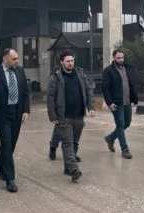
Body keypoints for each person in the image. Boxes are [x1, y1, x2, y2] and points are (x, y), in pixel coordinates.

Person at [46, 51, 94, 182]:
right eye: (67, 61)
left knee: (74, 143)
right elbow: (50, 97)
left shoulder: (80, 75)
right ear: (62, 62)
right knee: (67, 143)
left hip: (79, 115)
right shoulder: (56, 77)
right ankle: (74, 169)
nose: (70, 63)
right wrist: (52, 115)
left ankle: (68, 168)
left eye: (72, 60)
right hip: (64, 116)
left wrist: (91, 107)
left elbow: (88, 91)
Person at [0, 48, 29, 193]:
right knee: (6, 143)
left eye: (17, 58)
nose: (17, 61)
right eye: (14, 59)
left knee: (11, 144)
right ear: (5, 59)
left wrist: (25, 110)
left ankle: (1, 168)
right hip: (1, 115)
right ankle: (10, 179)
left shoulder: (20, 71)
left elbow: (25, 92)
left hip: (17, 112)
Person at [101, 49, 138, 159]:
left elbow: (132, 85)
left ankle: (110, 138)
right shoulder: (108, 71)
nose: (121, 60)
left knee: (127, 123)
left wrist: (134, 99)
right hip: (116, 103)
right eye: (118, 58)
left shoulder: (127, 68)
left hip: (127, 101)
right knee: (120, 124)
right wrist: (109, 103)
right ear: (113, 58)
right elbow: (105, 88)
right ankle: (125, 149)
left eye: (122, 58)